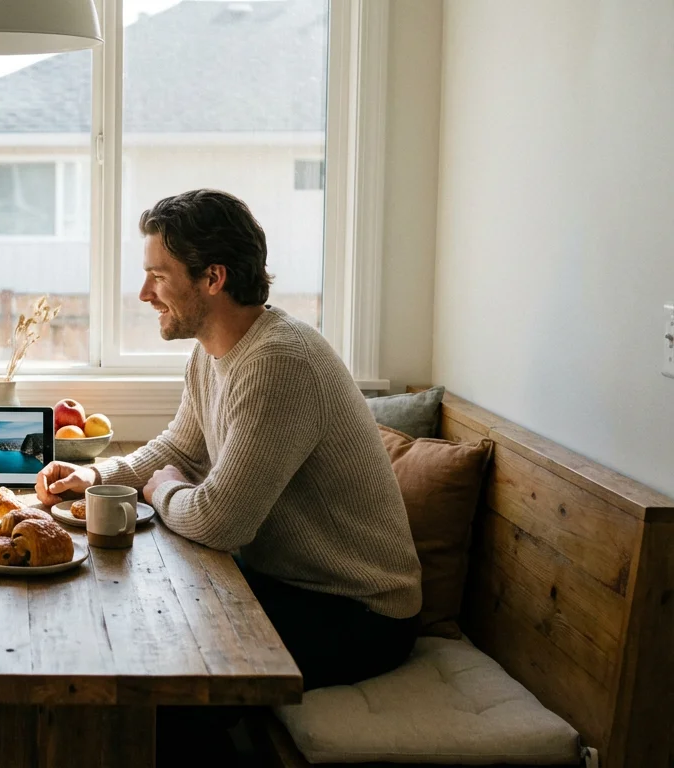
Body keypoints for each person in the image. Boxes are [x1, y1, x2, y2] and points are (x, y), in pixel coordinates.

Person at [36, 189, 422, 691]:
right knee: (134, 617)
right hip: (285, 583)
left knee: (163, 655)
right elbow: (178, 449)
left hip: (359, 612)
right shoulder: (214, 351)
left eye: (158, 276)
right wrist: (95, 475)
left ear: (213, 278)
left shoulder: (279, 362)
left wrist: (162, 491)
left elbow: (221, 523)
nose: (143, 294)